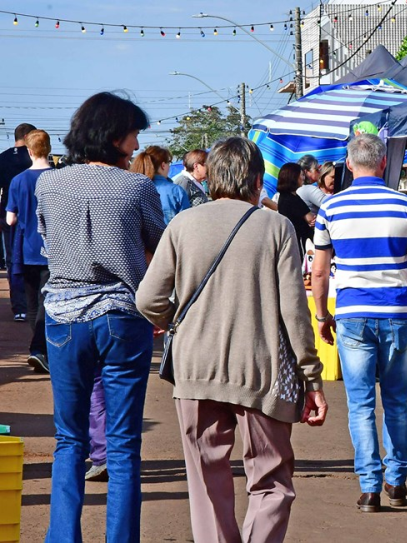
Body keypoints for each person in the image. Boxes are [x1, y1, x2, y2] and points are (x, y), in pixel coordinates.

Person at [136, 137, 328, 543]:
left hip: (194, 370)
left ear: (213, 178)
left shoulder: (183, 224)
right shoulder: (276, 226)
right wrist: (312, 378)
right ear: (257, 180)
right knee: (272, 478)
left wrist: (178, 324)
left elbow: (147, 299)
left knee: (206, 481)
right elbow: (295, 312)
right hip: (261, 370)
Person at [36, 91, 165, 542]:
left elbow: (48, 243)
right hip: (122, 316)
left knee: (69, 439)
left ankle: (61, 537)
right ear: (114, 135)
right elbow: (159, 247)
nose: (135, 143)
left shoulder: (48, 184)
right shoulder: (136, 187)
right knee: (124, 443)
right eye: (132, 133)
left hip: (64, 314)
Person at [312, 133, 407, 512]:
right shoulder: (406, 207)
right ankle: (396, 480)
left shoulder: (331, 209)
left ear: (349, 164)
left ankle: (369, 488)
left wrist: (321, 314)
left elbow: (318, 272)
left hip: (352, 314)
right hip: (397, 312)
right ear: (383, 164)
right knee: (397, 400)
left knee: (360, 404)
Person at [5, 129, 52, 373]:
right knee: (49, 300)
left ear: (30, 151)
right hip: (54, 247)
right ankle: (41, 349)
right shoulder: (58, 177)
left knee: (32, 302)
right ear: (49, 149)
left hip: (27, 246)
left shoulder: (19, 180)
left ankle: (39, 349)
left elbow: (10, 219)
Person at [0, 122, 36, 321]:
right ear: (30, 136)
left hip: (8, 214)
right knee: (37, 259)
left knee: (13, 260)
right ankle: (35, 304)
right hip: (34, 215)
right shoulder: (34, 158)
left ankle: (20, 307)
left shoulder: (3, 158)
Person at [130, 146, 191, 224]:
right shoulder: (176, 191)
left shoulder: (134, 188)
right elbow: (185, 223)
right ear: (163, 165)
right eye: (169, 163)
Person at [277, 163, 315, 257]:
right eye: (301, 175)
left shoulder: (286, 196)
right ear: (294, 177)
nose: (303, 178)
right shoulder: (291, 199)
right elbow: (310, 218)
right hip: (300, 242)